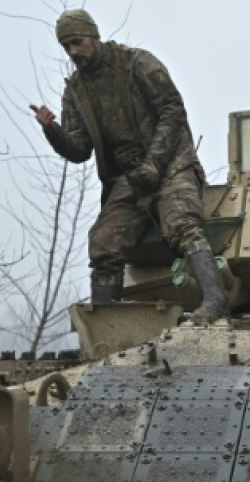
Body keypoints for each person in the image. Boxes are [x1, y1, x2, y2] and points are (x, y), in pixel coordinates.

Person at [31, 9, 228, 321]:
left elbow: (172, 110)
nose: (73, 51)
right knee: (103, 241)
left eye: (77, 42)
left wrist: (154, 165)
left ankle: (216, 304)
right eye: (66, 46)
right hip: (129, 178)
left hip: (170, 163)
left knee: (181, 224)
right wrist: (52, 131)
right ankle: (108, 327)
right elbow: (80, 149)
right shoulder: (76, 91)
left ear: (93, 36)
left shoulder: (137, 63)